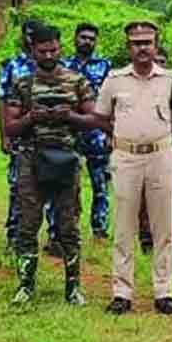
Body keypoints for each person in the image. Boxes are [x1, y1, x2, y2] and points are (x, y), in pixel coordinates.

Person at [96, 21, 172, 315]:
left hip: (161, 156)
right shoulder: (115, 79)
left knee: (162, 225)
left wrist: (164, 131)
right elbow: (100, 116)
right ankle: (121, 292)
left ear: (156, 46)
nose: (142, 48)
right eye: (136, 43)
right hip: (126, 157)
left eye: (147, 42)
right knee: (124, 225)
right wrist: (117, 135)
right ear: (128, 47)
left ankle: (164, 291)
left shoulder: (170, 80)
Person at [2, 24, 100, 306]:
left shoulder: (77, 81)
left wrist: (69, 116)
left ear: (61, 48)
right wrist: (31, 118)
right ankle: (25, 285)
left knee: (68, 226)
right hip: (31, 160)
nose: (48, 54)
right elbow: (10, 127)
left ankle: (73, 288)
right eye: (42, 50)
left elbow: (93, 119)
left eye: (53, 49)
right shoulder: (22, 84)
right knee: (28, 224)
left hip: (65, 159)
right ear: (32, 51)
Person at [0, 19, 60, 252]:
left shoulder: (63, 69)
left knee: (56, 188)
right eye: (28, 35)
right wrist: (5, 135)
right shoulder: (14, 66)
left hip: (54, 141)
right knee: (19, 189)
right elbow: (3, 101)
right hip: (24, 139)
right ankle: (15, 236)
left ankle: (56, 238)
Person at [62, 22, 112, 240]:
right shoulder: (63, 65)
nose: (87, 42)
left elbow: (113, 99)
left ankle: (99, 228)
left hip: (97, 130)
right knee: (66, 182)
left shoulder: (105, 66)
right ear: (75, 38)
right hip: (69, 129)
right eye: (83, 37)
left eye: (91, 38)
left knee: (100, 182)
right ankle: (67, 227)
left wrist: (111, 132)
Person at [138, 46, 172, 252]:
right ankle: (146, 237)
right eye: (156, 60)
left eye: (163, 61)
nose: (159, 64)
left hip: (169, 147)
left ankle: (171, 236)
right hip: (142, 149)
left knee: (170, 193)